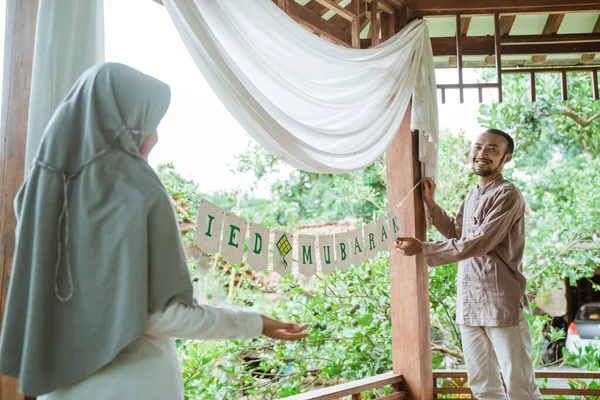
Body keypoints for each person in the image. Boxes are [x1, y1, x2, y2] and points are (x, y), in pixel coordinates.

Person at [0, 63, 308, 399]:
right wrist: (256, 323)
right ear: (125, 122)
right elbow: (161, 316)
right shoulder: (135, 187)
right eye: (152, 123)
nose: (155, 137)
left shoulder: (39, 190)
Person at [394, 129, 542, 400]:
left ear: (506, 159)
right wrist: (431, 205)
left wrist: (424, 248)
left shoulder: (508, 194)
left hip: (501, 303)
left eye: (492, 149)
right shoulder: (473, 194)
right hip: (470, 303)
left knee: (520, 384)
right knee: (483, 386)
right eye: (479, 146)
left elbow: (480, 243)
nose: (482, 153)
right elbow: (458, 232)